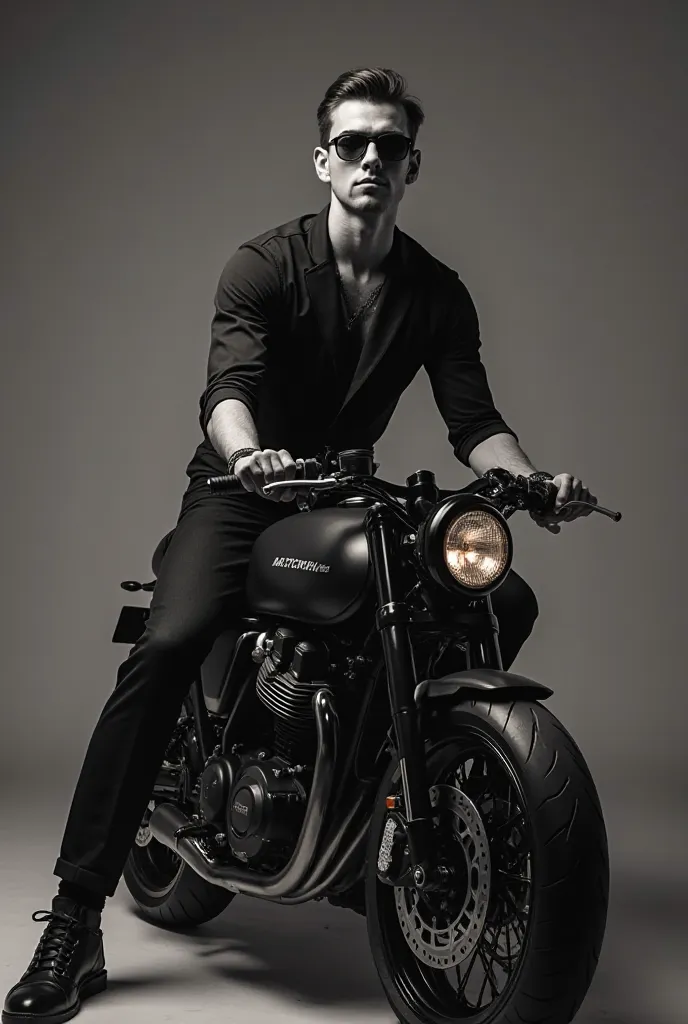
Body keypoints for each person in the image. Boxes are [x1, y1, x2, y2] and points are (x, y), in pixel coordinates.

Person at [3, 67, 596, 1023]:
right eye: (353, 144)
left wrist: (527, 478)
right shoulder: (264, 265)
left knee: (497, 601)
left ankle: (382, 825)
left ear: (412, 164)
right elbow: (227, 388)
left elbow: (473, 419)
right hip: (242, 491)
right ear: (323, 159)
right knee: (165, 646)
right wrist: (247, 460)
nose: (371, 159)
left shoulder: (436, 293)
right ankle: (74, 923)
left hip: (345, 490)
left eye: (389, 146)